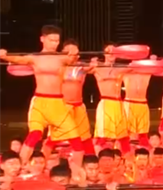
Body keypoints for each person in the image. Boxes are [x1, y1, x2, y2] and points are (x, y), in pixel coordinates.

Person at [1, 25, 84, 161]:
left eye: (57, 41)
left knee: (76, 140)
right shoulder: (35, 58)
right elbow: (18, 59)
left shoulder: (61, 58)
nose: (55, 44)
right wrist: (4, 55)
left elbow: (72, 59)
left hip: (58, 104)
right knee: (34, 135)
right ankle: (21, 167)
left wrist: (74, 52)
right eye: (51, 40)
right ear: (42, 39)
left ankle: (77, 170)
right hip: (40, 101)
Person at [58, 40, 95, 155]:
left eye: (74, 52)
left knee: (85, 136)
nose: (72, 54)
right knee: (58, 137)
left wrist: (95, 62)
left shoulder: (81, 67)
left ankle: (90, 159)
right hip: (63, 106)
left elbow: (93, 68)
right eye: (68, 51)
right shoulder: (58, 67)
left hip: (79, 106)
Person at [93, 45, 131, 154]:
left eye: (114, 51)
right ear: (104, 54)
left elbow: (136, 67)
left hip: (118, 104)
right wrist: (92, 62)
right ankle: (96, 159)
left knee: (123, 137)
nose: (111, 54)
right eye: (108, 51)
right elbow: (82, 68)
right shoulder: (97, 68)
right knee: (102, 136)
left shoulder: (120, 69)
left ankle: (127, 161)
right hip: (106, 103)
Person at [123, 60, 154, 146]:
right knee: (129, 131)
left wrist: (153, 60)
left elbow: (159, 68)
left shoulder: (147, 72)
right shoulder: (125, 72)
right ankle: (129, 150)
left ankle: (143, 150)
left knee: (143, 132)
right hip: (130, 103)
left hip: (143, 103)